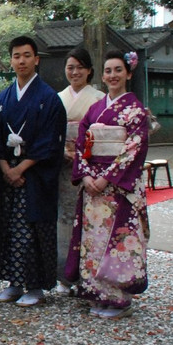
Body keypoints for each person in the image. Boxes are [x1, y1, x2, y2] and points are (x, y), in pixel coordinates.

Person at [65, 50, 151, 318]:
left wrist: (106, 177)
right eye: (108, 71)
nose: (112, 76)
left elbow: (133, 149)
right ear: (102, 76)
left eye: (118, 70)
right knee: (93, 240)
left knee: (117, 240)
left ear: (128, 73)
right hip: (94, 187)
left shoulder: (136, 111)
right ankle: (96, 293)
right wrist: (88, 175)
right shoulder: (95, 109)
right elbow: (82, 145)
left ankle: (118, 298)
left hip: (117, 188)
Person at [0, 35, 66, 307]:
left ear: (36, 59)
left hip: (35, 176)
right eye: (17, 56)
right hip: (9, 175)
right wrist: (6, 167)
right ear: (11, 60)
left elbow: (50, 140)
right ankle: (14, 283)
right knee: (8, 228)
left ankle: (36, 286)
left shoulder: (49, 98)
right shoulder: (3, 98)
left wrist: (21, 169)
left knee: (32, 228)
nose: (21, 61)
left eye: (27, 55)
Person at [56, 48, 105, 291]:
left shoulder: (99, 98)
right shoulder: (58, 97)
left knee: (90, 219)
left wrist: (83, 155)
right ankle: (65, 275)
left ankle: (89, 276)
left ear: (89, 70)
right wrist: (60, 150)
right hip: (63, 165)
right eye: (70, 67)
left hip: (90, 165)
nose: (75, 72)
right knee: (64, 218)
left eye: (80, 67)